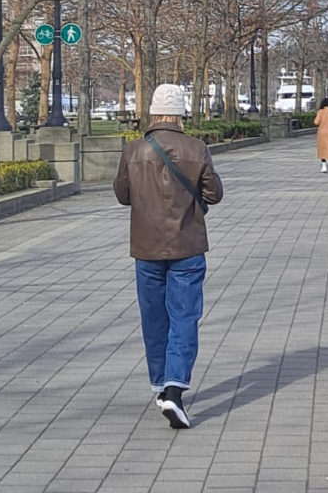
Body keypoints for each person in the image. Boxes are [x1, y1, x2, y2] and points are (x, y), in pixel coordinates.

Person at [113, 83, 224, 430]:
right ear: (180, 112)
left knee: (154, 318)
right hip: (188, 246)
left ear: (153, 110)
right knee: (185, 316)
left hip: (146, 247)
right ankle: (174, 389)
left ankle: (160, 384)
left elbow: (122, 194)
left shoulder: (134, 150)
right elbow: (214, 194)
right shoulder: (196, 148)